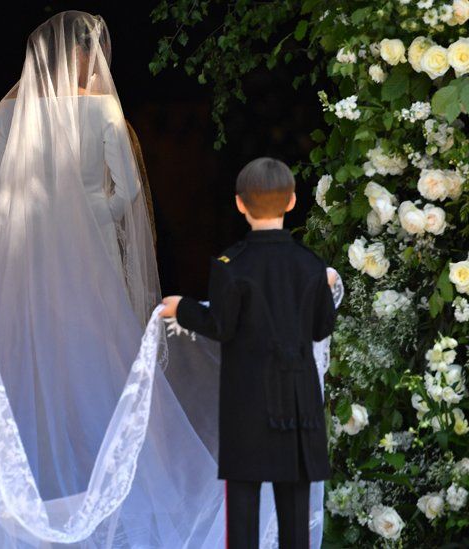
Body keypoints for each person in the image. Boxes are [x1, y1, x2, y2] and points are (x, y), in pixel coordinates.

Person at [160, 157, 338, 549]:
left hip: (248, 406)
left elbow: (221, 326)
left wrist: (182, 307)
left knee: (242, 512)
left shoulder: (231, 265)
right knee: (294, 512)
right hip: (298, 405)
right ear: (292, 202)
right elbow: (323, 327)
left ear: (240, 204)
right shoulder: (311, 265)